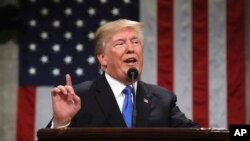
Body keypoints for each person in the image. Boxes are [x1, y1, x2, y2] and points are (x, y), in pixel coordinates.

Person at [48, 19, 200, 128]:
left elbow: (194, 136)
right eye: (120, 43)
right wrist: (61, 123)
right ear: (103, 58)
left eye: (135, 42)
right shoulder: (79, 97)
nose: (131, 49)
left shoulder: (163, 99)